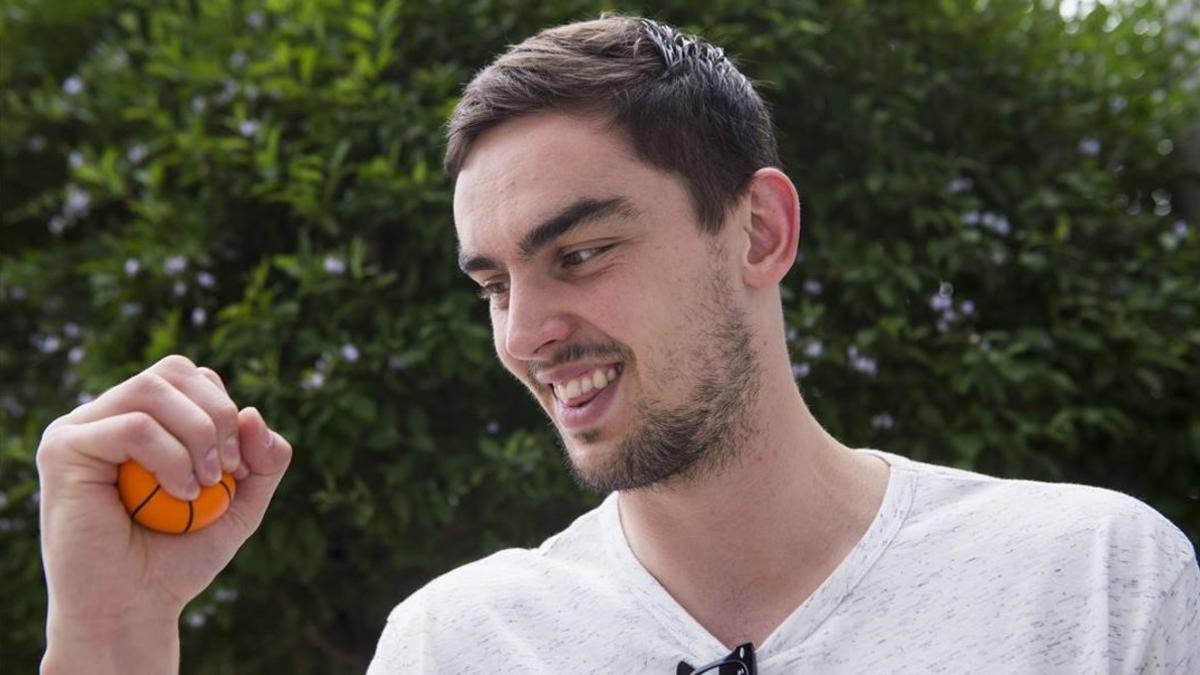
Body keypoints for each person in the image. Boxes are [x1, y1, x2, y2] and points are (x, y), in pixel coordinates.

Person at [37, 15, 1197, 674]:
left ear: (759, 230)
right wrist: (112, 630)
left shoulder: (1093, 582)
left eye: (581, 253)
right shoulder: (462, 646)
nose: (528, 333)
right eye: (493, 282)